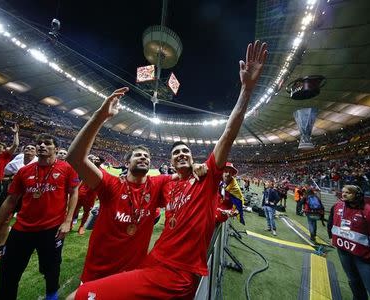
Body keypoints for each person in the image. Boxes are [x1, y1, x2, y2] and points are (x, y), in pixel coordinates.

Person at [68, 39, 268, 300]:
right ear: (171, 163)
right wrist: (101, 115)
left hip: (174, 273)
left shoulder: (201, 178)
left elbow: (228, 133)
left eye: (186, 152)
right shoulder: (164, 184)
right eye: (176, 154)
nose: (182, 154)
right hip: (148, 263)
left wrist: (247, 90)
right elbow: (75, 158)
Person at [65, 90, 206, 283]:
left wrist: (196, 166)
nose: (143, 158)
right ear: (127, 162)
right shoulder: (110, 184)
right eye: (138, 155)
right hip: (97, 275)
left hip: (132, 278)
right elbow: (74, 158)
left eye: (146, 156)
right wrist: (100, 116)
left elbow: (183, 171)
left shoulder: (158, 183)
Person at [0, 133, 79, 300]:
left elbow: (74, 191)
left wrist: (68, 220)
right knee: (8, 271)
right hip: (22, 229)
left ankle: (51, 294)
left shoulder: (66, 168)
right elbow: (11, 201)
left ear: (56, 148)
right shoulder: (24, 171)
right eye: (39, 143)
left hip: (52, 230)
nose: (41, 145)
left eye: (47, 143)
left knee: (51, 268)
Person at [0, 144, 38, 267]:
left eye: (32, 149)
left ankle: (29, 246)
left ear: (36, 152)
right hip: (13, 194)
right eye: (27, 148)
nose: (28, 150)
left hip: (29, 196)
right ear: (23, 150)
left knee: (28, 222)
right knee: (5, 219)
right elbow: (5, 175)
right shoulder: (17, 159)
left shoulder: (39, 163)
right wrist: (12, 177)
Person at [71, 155, 103, 235]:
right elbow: (82, 180)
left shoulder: (102, 172)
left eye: (97, 159)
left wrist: (98, 196)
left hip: (91, 196)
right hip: (81, 193)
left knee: (86, 212)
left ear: (101, 162)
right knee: (74, 209)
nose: (95, 160)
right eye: (95, 159)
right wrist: (77, 190)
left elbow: (102, 185)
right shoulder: (88, 168)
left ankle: (81, 227)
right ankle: (70, 224)